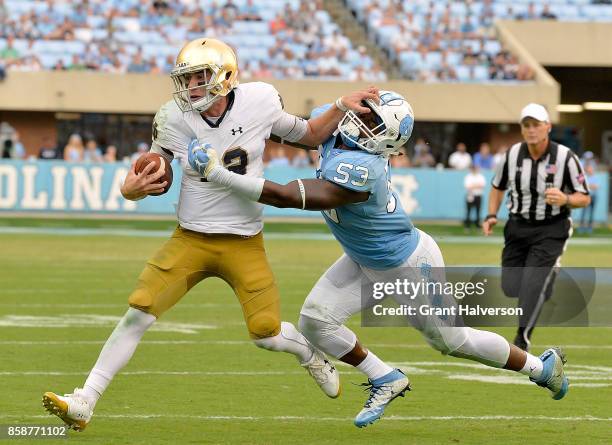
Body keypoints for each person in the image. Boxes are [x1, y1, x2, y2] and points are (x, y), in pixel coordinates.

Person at [42, 37, 378, 431]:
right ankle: (84, 400)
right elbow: (157, 172)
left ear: (226, 77)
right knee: (138, 312)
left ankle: (307, 352)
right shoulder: (174, 116)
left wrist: (339, 106)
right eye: (186, 79)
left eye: (200, 77)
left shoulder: (260, 100)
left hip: (243, 240)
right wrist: (130, 189)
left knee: (266, 334)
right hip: (191, 238)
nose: (191, 87)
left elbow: (308, 135)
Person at [191, 91, 570, 428]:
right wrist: (227, 123)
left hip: (405, 263)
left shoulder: (365, 169)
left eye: (372, 120)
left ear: (386, 138)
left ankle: (541, 368)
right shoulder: (342, 126)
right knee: (315, 321)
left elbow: (289, 196)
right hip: (363, 257)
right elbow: (295, 131)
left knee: (453, 341)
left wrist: (219, 174)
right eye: (365, 113)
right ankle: (385, 377)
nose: (360, 120)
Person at [483, 103, 591, 351]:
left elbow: (584, 197)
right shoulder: (511, 155)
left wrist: (565, 199)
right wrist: (491, 215)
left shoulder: (566, 158)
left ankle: (522, 338)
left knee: (533, 283)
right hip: (517, 226)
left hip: (552, 229)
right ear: (522, 129)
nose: (531, 130)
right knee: (510, 287)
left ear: (548, 127)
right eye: (526, 125)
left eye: (536, 125)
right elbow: (498, 186)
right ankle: (546, 279)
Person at [579, 164, 598, 233]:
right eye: (589, 169)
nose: (590, 170)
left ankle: (590, 227)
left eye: (591, 169)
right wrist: (590, 186)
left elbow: (596, 187)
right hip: (586, 196)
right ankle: (581, 227)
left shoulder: (595, 177)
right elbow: (581, 185)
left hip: (593, 197)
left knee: (591, 213)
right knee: (583, 213)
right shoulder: (584, 177)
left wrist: (588, 185)